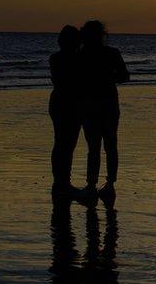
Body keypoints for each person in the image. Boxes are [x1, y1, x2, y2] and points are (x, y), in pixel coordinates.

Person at [79, 20, 129, 202]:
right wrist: (109, 77)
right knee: (109, 145)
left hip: (92, 104)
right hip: (107, 103)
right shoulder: (111, 53)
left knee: (94, 147)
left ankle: (93, 185)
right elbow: (124, 76)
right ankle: (109, 185)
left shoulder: (82, 54)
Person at [49, 25, 83, 197]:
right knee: (67, 144)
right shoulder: (78, 59)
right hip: (70, 103)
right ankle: (63, 182)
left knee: (60, 143)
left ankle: (60, 181)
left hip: (58, 101)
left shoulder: (55, 58)